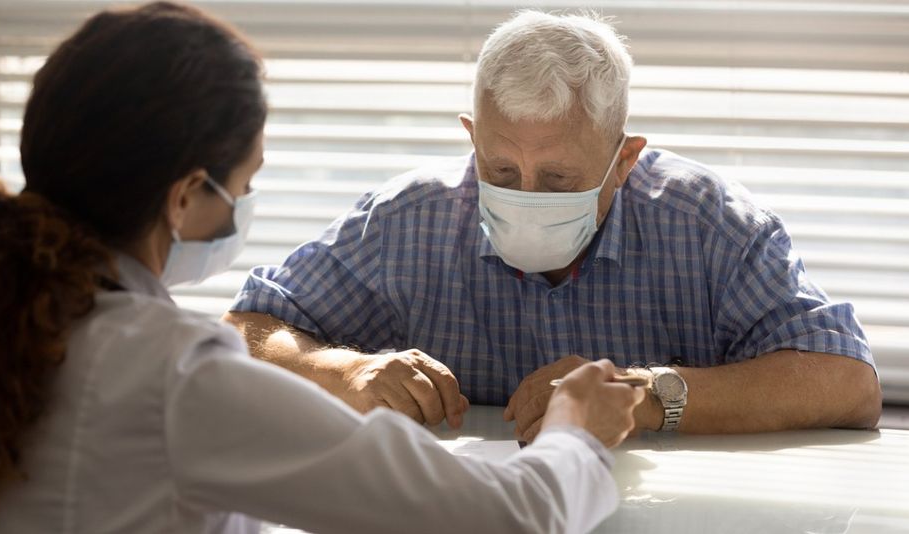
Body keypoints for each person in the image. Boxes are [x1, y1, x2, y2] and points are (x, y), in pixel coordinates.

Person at [0, 3, 645, 533]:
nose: (247, 204)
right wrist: (576, 432)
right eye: (247, 182)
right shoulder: (170, 376)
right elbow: (506, 518)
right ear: (185, 196)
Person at [226, 10, 881, 442]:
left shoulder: (710, 226)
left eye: (559, 180)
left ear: (625, 160)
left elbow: (847, 381)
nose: (526, 196)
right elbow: (247, 329)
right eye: (502, 171)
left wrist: (647, 395)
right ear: (470, 138)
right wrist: (343, 370)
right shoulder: (406, 221)